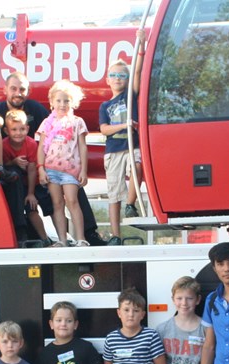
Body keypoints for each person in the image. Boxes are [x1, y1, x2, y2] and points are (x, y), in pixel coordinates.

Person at [0, 71, 104, 246]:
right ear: (5, 89)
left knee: (72, 193)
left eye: (22, 89)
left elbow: (51, 135)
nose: (17, 93)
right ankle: (27, 236)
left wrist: (40, 168)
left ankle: (88, 234)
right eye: (13, 89)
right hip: (13, 171)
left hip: (44, 169)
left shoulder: (36, 109)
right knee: (23, 189)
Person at [99, 31, 147, 244]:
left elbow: (137, 71)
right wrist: (124, 124)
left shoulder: (131, 96)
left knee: (137, 166)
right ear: (108, 79)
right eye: (114, 75)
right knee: (113, 193)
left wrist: (141, 45)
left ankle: (131, 204)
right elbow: (104, 129)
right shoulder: (105, 105)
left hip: (131, 145)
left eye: (122, 75)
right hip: (113, 150)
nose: (118, 78)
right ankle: (116, 235)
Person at [37, 80, 90, 246]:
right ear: (52, 102)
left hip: (70, 169)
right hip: (51, 169)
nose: (62, 104)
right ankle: (62, 239)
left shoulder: (77, 122)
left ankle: (81, 238)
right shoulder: (47, 123)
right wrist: (41, 169)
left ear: (72, 102)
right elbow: (40, 148)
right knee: (57, 204)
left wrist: (84, 171)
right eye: (59, 100)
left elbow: (82, 147)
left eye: (66, 101)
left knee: (72, 201)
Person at [0, 109, 50, 244]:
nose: (18, 133)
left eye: (22, 129)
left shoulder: (31, 144)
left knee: (32, 209)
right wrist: (14, 161)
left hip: (31, 183)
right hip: (15, 184)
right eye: (14, 129)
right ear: (6, 131)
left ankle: (45, 239)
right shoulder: (3, 145)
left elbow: (33, 169)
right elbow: (4, 165)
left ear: (27, 129)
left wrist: (31, 194)